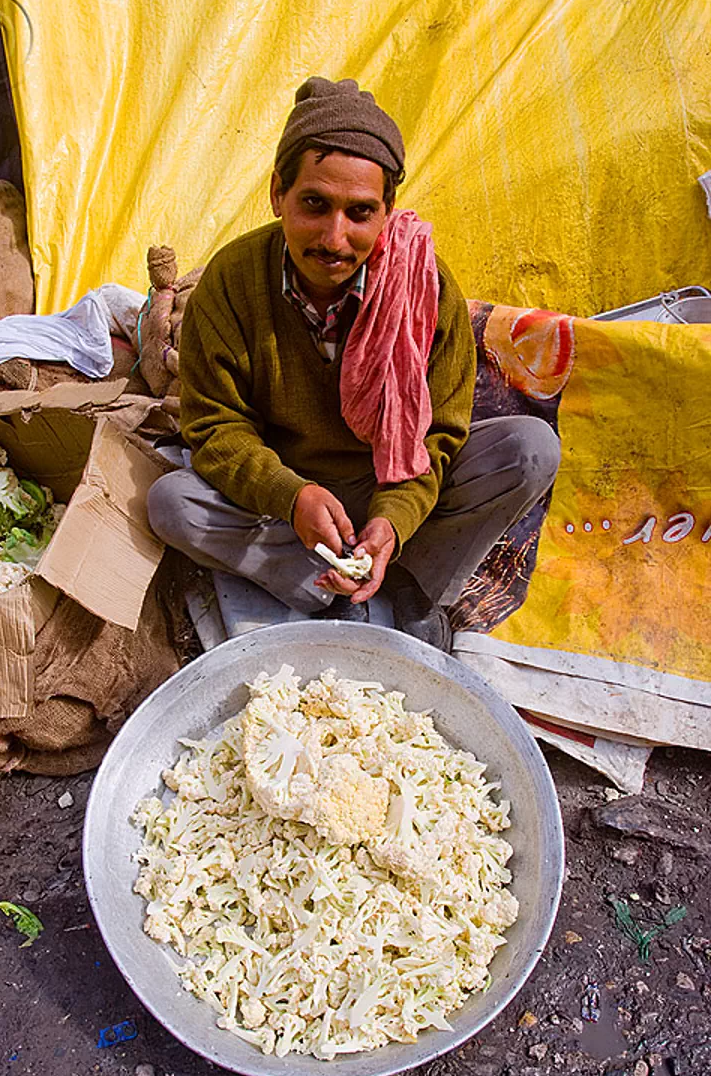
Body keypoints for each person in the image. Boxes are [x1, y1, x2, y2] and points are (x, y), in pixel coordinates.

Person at [148, 76, 560, 651]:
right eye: (314, 204)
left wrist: (392, 518)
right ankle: (323, 583)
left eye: (360, 213)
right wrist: (291, 496)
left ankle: (416, 580)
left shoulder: (425, 287)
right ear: (277, 194)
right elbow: (215, 427)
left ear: (387, 212)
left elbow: (439, 431)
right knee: (172, 504)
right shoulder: (232, 280)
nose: (334, 238)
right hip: (293, 484)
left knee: (530, 448)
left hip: (393, 472)